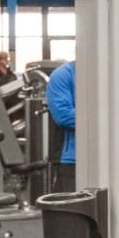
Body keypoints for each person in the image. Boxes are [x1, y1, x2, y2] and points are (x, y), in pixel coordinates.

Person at [45, 59, 76, 194]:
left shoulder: (112, 74)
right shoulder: (63, 75)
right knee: (71, 211)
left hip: (110, 157)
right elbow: (63, 116)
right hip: (72, 159)